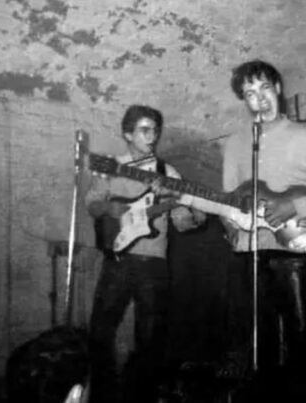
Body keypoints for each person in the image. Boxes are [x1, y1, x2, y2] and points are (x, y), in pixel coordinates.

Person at [221, 60, 306, 375]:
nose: (261, 99)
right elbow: (228, 199)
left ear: (279, 89)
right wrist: (227, 223)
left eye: (266, 88)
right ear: (244, 100)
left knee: (301, 345)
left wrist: (295, 208)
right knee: (253, 346)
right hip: (247, 254)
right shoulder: (234, 143)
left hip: (294, 254)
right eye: (251, 93)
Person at [85, 104, 206, 403]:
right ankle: (100, 394)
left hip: (154, 264)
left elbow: (183, 223)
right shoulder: (111, 165)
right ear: (127, 133)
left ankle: (141, 395)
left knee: (151, 339)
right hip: (117, 259)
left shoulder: (169, 173)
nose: (152, 136)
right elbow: (92, 203)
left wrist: (195, 213)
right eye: (144, 129)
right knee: (100, 332)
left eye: (155, 130)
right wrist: (109, 208)